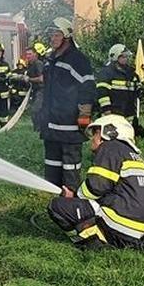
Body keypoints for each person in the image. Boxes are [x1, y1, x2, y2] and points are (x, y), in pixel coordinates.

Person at [47, 114, 144, 251]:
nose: (92, 139)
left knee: (57, 206)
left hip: (118, 224)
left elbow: (96, 186)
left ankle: (96, 244)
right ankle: (122, 243)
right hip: (139, 231)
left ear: (107, 132)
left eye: (95, 133)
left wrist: (74, 197)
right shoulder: (137, 159)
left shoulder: (110, 147)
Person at [37, 18, 96, 189]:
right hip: (51, 123)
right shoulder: (51, 60)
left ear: (67, 37)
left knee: (70, 164)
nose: (53, 38)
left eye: (57, 35)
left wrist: (85, 113)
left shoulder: (78, 60)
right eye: (52, 35)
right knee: (52, 162)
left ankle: (71, 193)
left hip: (69, 123)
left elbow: (88, 87)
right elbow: (47, 88)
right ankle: (53, 191)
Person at [95, 44, 144, 136]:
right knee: (111, 139)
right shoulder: (106, 72)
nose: (126, 59)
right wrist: (107, 111)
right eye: (123, 56)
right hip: (112, 114)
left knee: (127, 139)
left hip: (128, 115)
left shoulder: (131, 73)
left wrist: (140, 90)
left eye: (127, 56)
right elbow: (102, 93)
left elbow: (136, 89)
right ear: (115, 57)